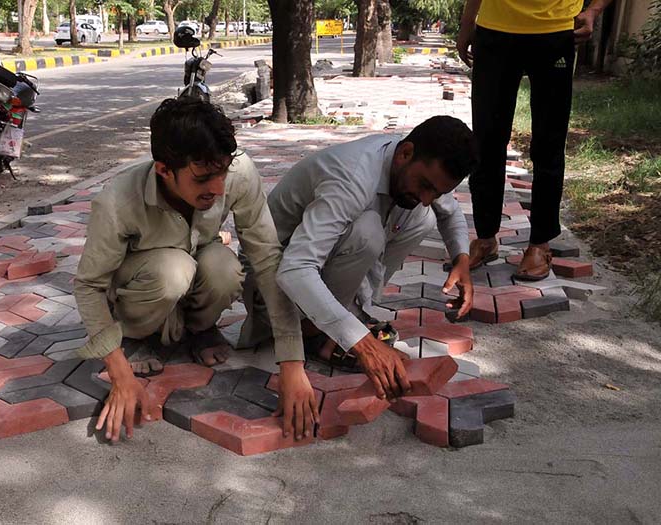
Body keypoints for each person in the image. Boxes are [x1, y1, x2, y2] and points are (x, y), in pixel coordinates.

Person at [73, 99, 304, 443]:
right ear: (164, 170)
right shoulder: (118, 201)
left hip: (195, 267)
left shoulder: (238, 174)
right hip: (144, 289)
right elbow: (88, 286)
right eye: (202, 178)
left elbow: (268, 258)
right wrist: (118, 371)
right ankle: (140, 338)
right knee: (174, 269)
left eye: (223, 172)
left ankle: (200, 329)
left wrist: (292, 363)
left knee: (226, 266)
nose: (218, 188)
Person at [241, 116, 480, 414]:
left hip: (303, 275)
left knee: (423, 216)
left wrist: (461, 259)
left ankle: (343, 319)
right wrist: (364, 344)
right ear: (405, 153)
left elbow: (451, 213)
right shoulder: (352, 177)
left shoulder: (413, 165)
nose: (426, 197)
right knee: (367, 231)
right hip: (269, 292)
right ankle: (319, 333)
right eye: (425, 186)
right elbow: (295, 269)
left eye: (438, 192)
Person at [456, 0, 613, 280]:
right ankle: (485, 236)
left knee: (548, 142)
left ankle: (540, 243)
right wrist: (467, 23)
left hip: (555, 31)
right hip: (494, 29)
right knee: (486, 140)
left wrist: (593, 11)